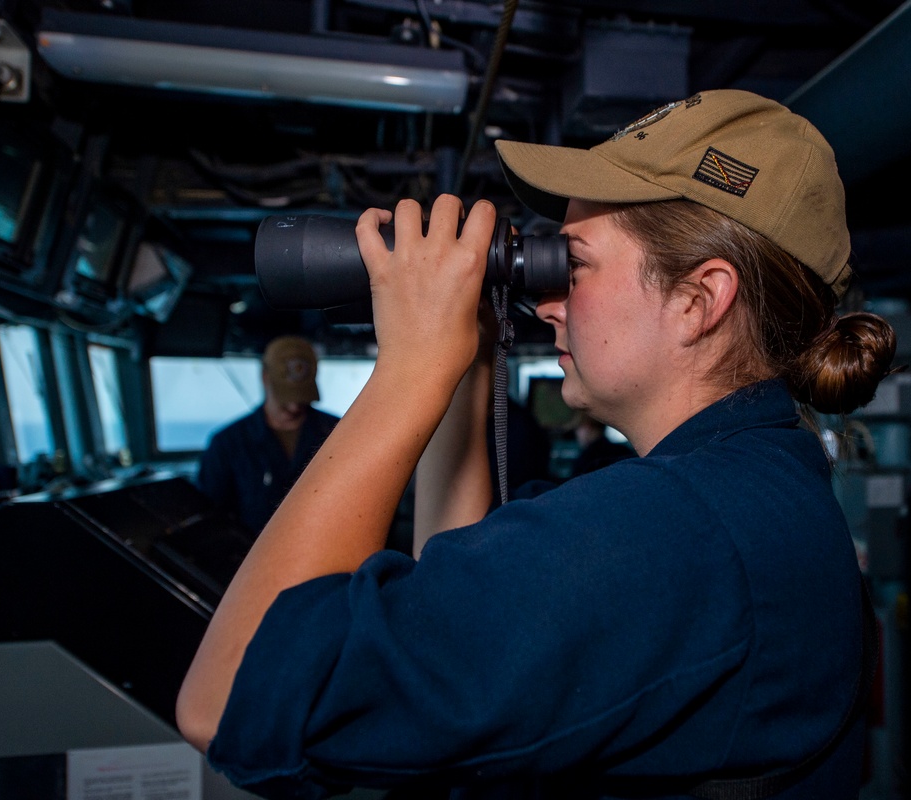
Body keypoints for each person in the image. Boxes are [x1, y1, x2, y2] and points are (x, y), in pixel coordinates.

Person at [176, 90, 896, 799]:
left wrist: (411, 367)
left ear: (697, 301)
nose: (546, 304)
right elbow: (459, 619)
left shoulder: (673, 528)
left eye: (573, 265)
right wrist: (463, 362)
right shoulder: (752, 487)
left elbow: (231, 697)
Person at [196, 335, 339, 536]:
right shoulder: (227, 444)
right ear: (265, 377)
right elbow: (211, 518)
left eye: (301, 394)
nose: (294, 405)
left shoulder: (338, 433)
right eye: (286, 395)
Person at [567, 410, 636, 476]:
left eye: (578, 429)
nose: (577, 434)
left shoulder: (587, 457)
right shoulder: (623, 451)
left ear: (587, 427)